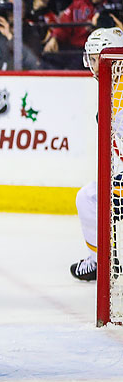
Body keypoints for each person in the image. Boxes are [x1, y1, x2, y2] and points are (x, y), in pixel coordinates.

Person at [70, 27, 123, 280]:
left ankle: (99, 261)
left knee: (88, 198)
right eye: (91, 59)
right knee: (92, 195)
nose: (92, 65)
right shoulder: (113, 88)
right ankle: (101, 259)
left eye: (96, 58)